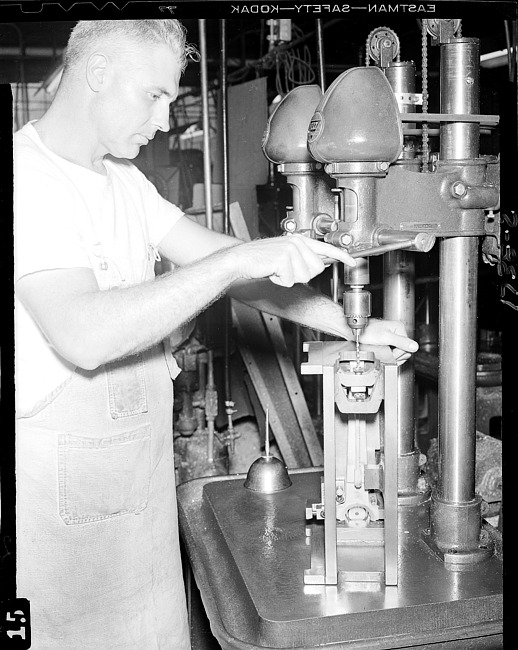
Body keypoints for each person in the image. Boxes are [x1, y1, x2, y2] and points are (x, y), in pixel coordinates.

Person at [14, 19, 419, 649]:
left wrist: (344, 322)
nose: (165, 119)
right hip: (67, 532)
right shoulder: (26, 179)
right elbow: (82, 335)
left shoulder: (124, 182)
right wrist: (236, 261)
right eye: (154, 96)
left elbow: (228, 267)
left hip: (138, 509)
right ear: (97, 74)